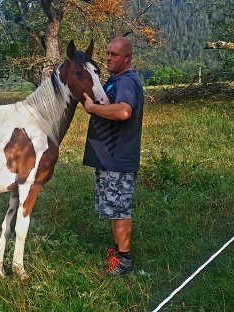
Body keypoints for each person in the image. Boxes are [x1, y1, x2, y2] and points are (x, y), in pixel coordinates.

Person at [82, 37, 144, 275]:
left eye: (114, 54)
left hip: (119, 158)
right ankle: (117, 252)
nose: (108, 58)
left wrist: (92, 109)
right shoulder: (114, 80)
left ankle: (125, 261)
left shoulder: (127, 81)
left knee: (120, 209)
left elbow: (123, 111)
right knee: (113, 207)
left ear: (127, 58)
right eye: (107, 53)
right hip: (109, 158)